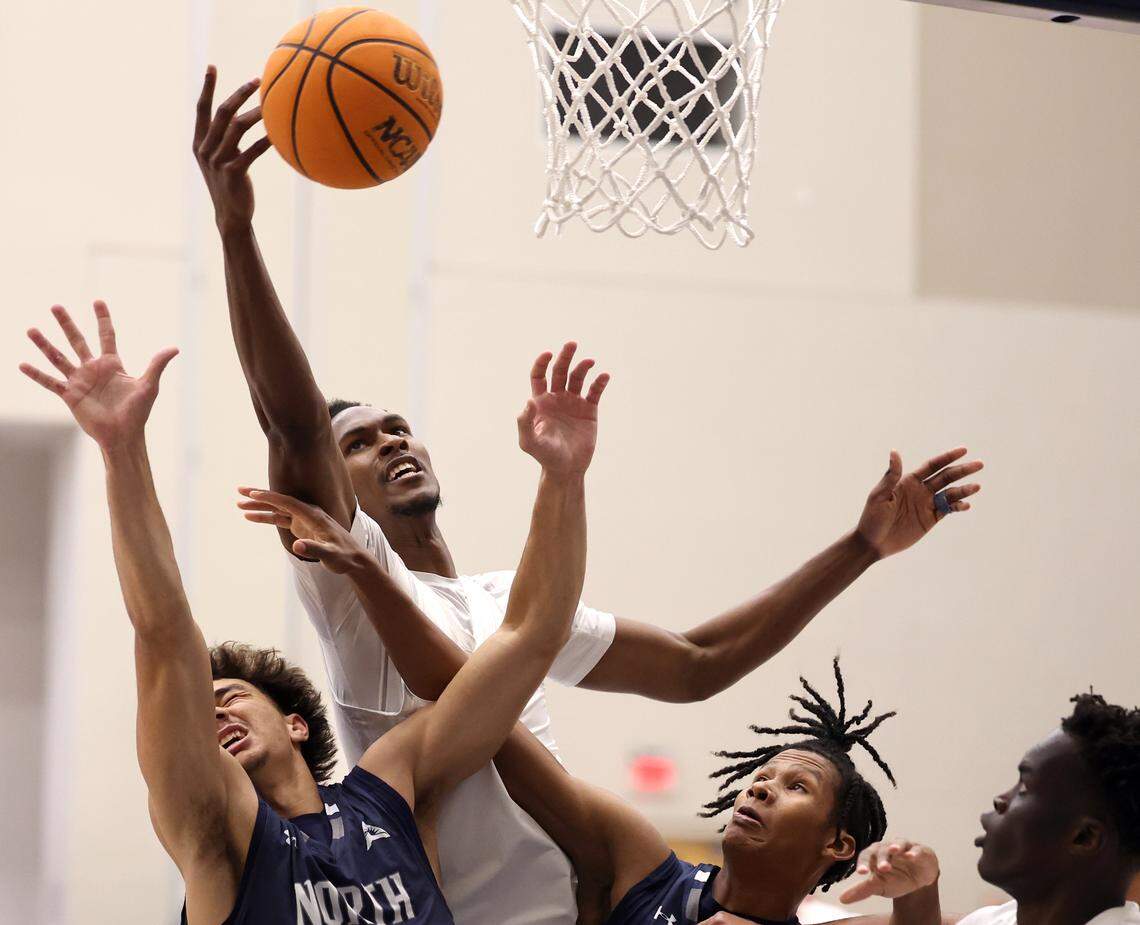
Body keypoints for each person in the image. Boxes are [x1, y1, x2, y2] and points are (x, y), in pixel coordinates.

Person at [196, 66, 983, 925]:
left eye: (398, 428)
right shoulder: (350, 578)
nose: (389, 441)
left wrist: (860, 547)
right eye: (358, 442)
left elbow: (694, 663)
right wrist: (237, 229)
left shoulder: (508, 599)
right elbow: (292, 422)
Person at [18, 301, 608, 924]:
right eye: (204, 701)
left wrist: (562, 479)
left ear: (297, 725)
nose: (214, 707)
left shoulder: (393, 794)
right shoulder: (215, 834)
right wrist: (122, 451)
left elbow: (530, 636)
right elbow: (163, 635)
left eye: (233, 695)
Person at [832, 693, 1140, 925]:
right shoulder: (995, 920)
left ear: (1084, 837)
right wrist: (918, 890)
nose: (1000, 799)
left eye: (1025, 788)